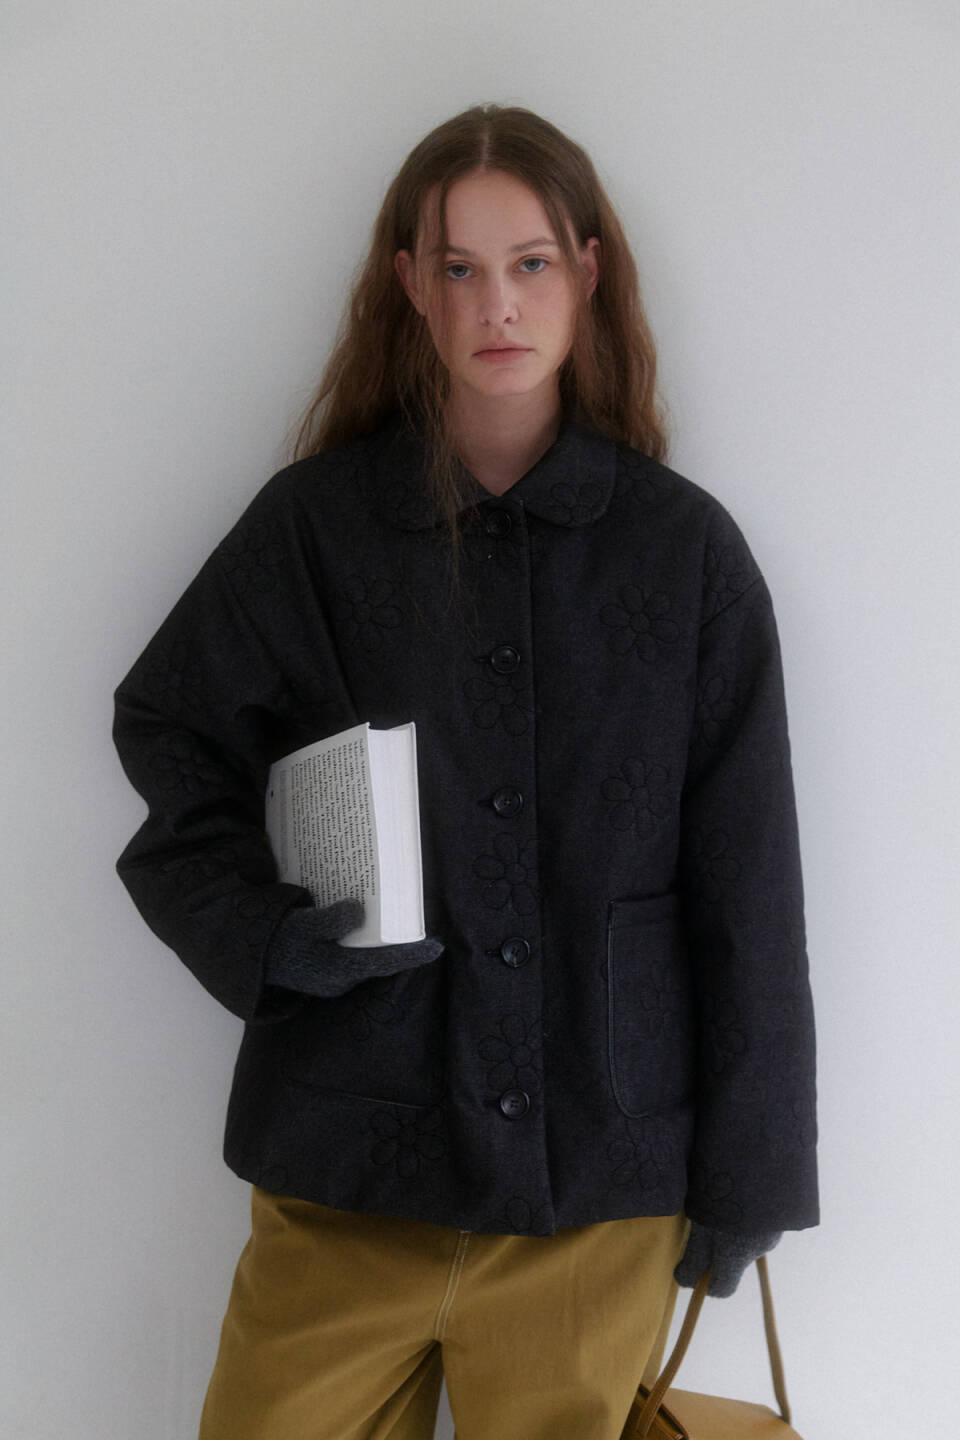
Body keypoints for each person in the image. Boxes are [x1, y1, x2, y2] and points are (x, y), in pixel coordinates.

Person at [112, 103, 818, 1440]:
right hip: (344, 1169)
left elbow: (750, 886)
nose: (498, 302)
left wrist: (755, 1176)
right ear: (410, 287)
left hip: (596, 1186)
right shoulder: (315, 530)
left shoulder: (683, 555)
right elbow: (170, 729)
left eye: (531, 261)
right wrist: (263, 938)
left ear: (589, 273)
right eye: (459, 266)